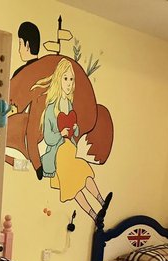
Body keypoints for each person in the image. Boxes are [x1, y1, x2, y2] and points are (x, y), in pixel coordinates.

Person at [32, 58, 110, 221]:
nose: (68, 83)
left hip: (69, 150)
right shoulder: (51, 108)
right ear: (59, 79)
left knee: (83, 172)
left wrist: (74, 129)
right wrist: (61, 133)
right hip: (59, 154)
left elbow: (73, 132)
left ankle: (102, 203)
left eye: (71, 79)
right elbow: (48, 137)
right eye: (65, 78)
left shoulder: (68, 104)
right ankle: (94, 214)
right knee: (75, 184)